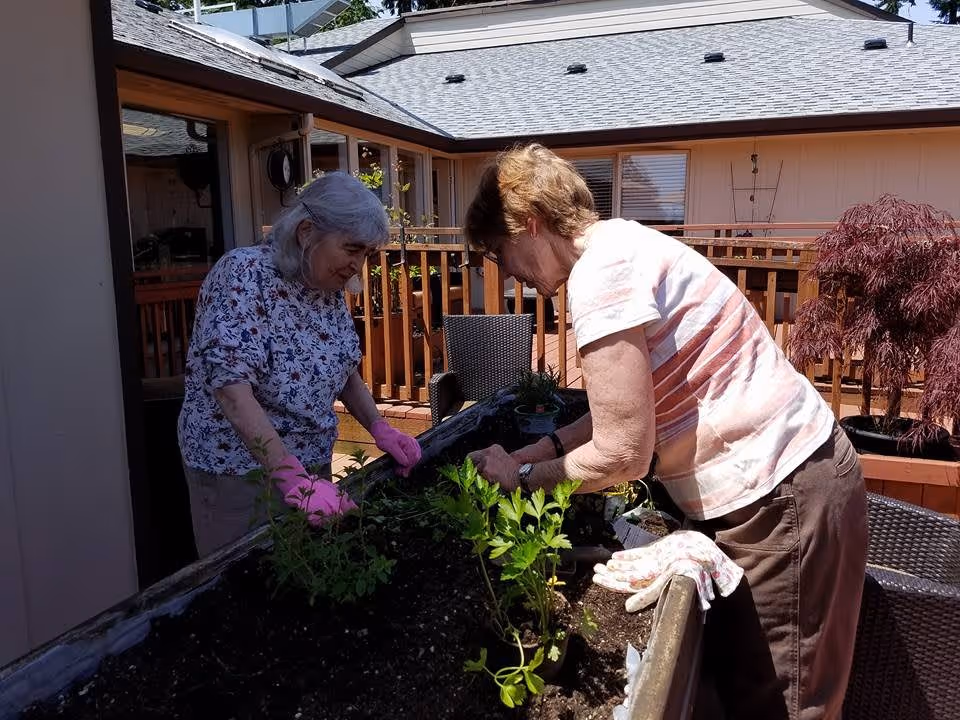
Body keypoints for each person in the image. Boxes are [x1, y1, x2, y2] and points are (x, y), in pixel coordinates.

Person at [465, 144, 867, 720]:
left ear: (529, 223)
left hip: (782, 497)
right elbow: (624, 410)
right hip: (787, 486)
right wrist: (545, 446)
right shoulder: (622, 245)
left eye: (501, 253)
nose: (507, 272)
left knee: (782, 704)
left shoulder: (599, 276)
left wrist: (522, 477)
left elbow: (624, 454)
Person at [178, 171, 421, 557]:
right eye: (352, 249)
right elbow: (230, 389)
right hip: (242, 473)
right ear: (307, 232)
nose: (358, 265)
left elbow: (343, 370)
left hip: (310, 467)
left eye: (366, 254)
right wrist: (291, 478)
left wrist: (380, 427)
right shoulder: (244, 275)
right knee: (246, 590)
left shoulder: (325, 287)